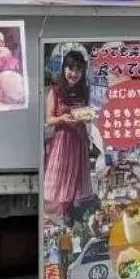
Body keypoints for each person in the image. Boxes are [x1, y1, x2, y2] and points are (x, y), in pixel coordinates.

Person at [43, 47, 97, 225]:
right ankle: (60, 211)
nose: (74, 73)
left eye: (78, 70)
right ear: (64, 68)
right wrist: (63, 119)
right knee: (61, 177)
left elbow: (90, 114)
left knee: (76, 176)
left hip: (79, 140)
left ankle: (71, 212)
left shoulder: (86, 91)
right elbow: (50, 120)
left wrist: (87, 116)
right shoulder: (55, 92)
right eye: (70, 68)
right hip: (62, 140)